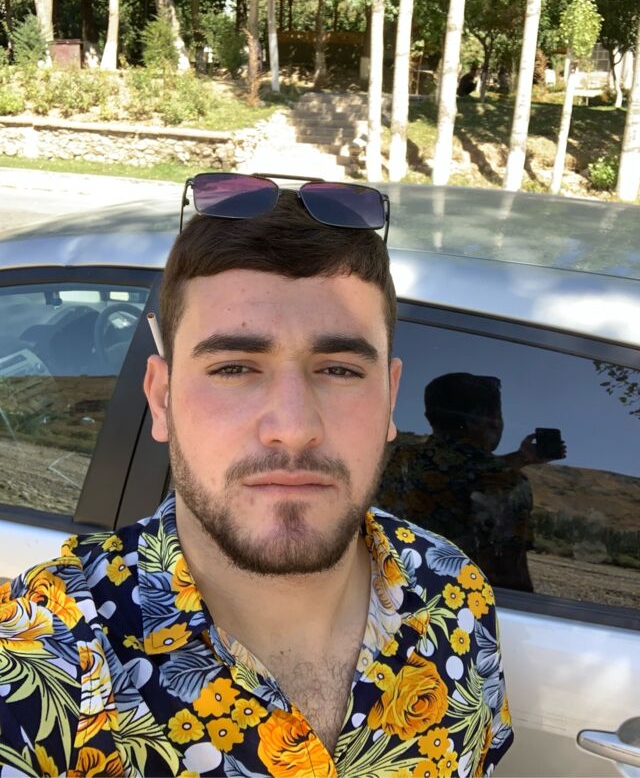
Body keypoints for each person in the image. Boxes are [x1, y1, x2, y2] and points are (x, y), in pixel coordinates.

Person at [0, 180, 513, 777]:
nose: (293, 429)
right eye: (235, 367)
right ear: (161, 399)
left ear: (390, 397)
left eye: (340, 370)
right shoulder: (39, 657)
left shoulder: (455, 591)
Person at [378, 372, 565, 593]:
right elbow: (509, 572)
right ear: (488, 421)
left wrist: (519, 458)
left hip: (389, 593)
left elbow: (457, 470)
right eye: (497, 415)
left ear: (429, 417)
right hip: (459, 604)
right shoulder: (508, 483)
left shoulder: (404, 459)